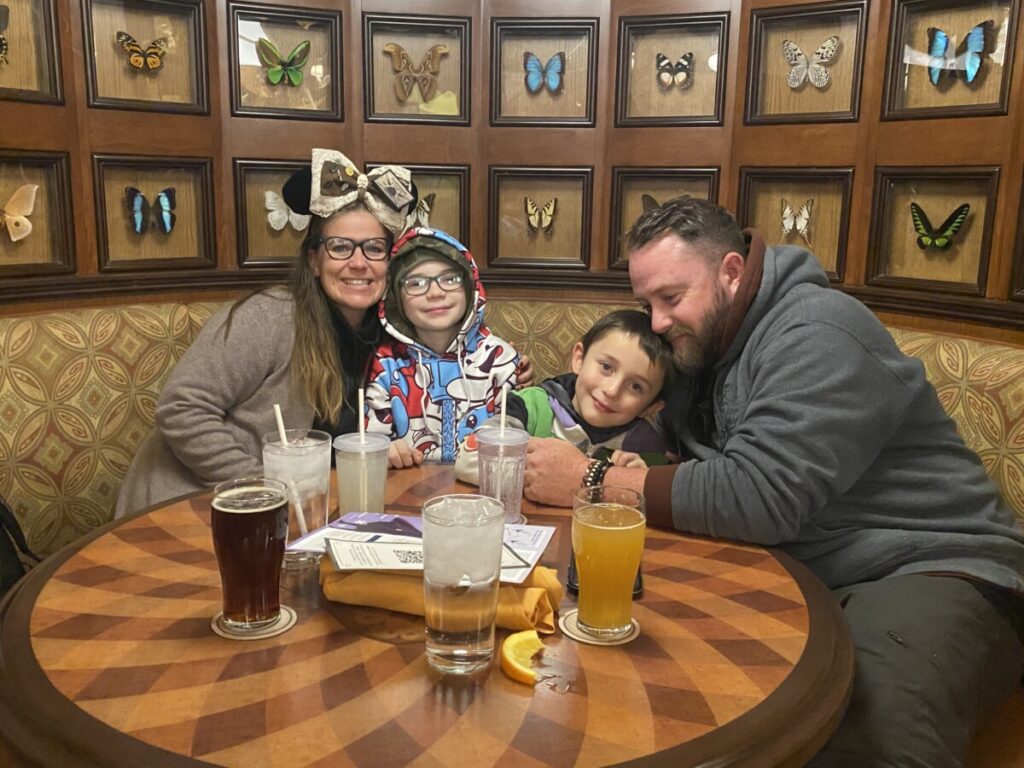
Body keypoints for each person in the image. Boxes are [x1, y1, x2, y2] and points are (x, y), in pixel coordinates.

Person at [523, 195, 1024, 767]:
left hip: (929, 566)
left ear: (731, 273)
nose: (657, 322)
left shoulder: (819, 330)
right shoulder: (699, 346)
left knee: (869, 735)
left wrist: (591, 478)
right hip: (792, 571)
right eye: (646, 303)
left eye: (671, 298)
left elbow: (761, 496)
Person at [115, 148, 417, 517]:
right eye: (339, 247)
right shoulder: (270, 316)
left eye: (374, 248)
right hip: (195, 507)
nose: (358, 263)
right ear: (313, 260)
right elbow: (183, 408)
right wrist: (260, 487)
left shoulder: (394, 334)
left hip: (313, 516)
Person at [454, 308, 675, 485]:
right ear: (579, 358)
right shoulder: (529, 406)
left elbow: (658, 499)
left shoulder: (647, 446)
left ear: (651, 407)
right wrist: (549, 473)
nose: (612, 390)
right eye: (606, 367)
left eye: (636, 386)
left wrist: (629, 482)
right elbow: (468, 461)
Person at [364, 226, 520, 468]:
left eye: (450, 279)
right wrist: (385, 451)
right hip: (407, 492)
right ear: (396, 297)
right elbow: (370, 444)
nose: (435, 292)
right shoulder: (386, 365)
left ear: (470, 287)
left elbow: (515, 438)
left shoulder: (500, 360)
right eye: (415, 283)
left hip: (482, 492)